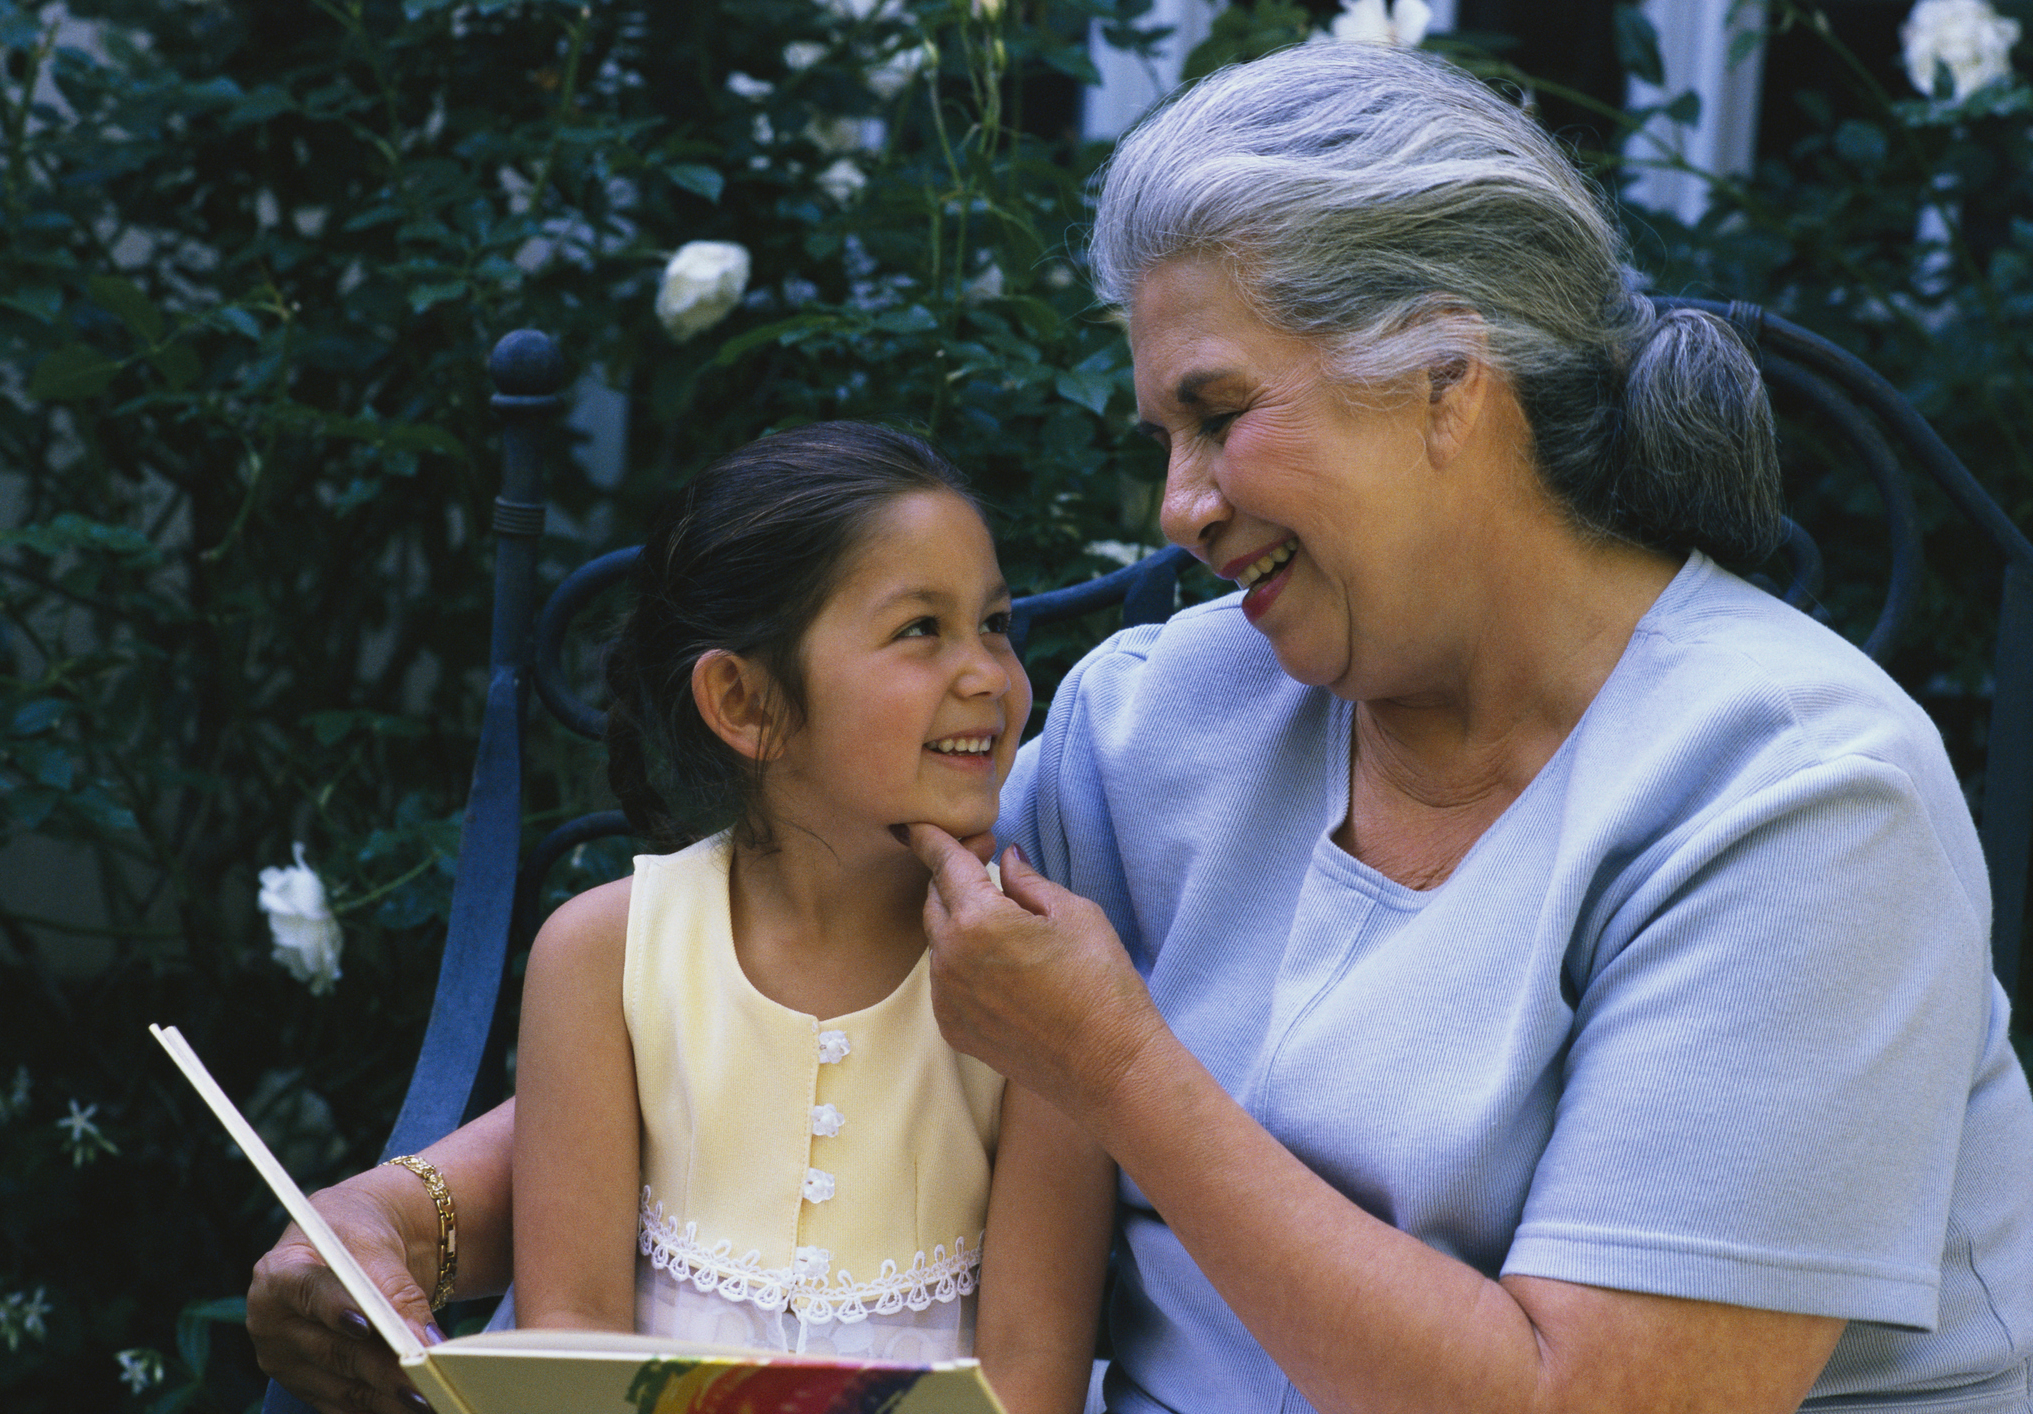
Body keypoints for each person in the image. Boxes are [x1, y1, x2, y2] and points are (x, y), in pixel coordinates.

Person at [249, 42, 2033, 1414]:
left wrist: (1120, 1071)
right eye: (1160, 435)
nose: (1176, 505)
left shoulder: (1797, 794)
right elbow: (838, 958)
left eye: (1217, 413)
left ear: (1446, 387)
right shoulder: (1178, 709)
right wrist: (421, 1208)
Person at [250, 423, 1112, 1413]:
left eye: (995, 623)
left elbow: (1031, 1380)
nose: (987, 675)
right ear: (744, 702)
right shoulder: (604, 954)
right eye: (921, 628)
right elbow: (568, 1326)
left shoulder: (1035, 983)